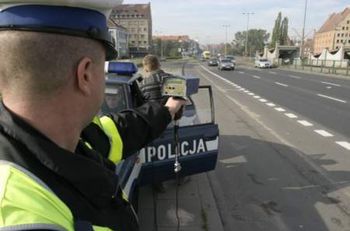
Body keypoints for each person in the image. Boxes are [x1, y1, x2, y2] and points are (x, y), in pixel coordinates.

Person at [0, 1, 185, 231]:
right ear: (85, 75)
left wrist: (167, 109)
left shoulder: (66, 134)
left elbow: (119, 131)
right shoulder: (30, 222)